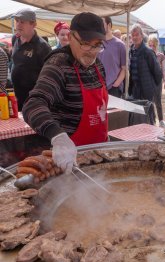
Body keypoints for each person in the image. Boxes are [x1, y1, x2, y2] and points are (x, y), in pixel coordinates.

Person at [22, 12, 107, 174]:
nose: (92, 51)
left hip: (98, 155)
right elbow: (33, 104)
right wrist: (58, 137)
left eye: (98, 45)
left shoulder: (98, 65)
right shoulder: (58, 65)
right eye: (86, 43)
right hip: (70, 162)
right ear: (70, 36)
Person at [11, 8, 52, 111]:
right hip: (17, 96)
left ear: (33, 24)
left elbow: (49, 76)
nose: (18, 25)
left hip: (34, 99)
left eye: (22, 22)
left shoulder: (43, 46)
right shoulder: (15, 38)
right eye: (17, 21)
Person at [128, 24, 162, 125]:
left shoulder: (148, 52)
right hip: (135, 89)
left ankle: (151, 135)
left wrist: (151, 87)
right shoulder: (131, 50)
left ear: (142, 36)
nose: (134, 37)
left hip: (146, 90)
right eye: (132, 35)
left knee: (148, 115)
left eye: (137, 35)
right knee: (138, 115)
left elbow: (158, 73)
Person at [98, 16, 126, 98]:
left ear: (109, 25)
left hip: (113, 89)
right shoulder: (96, 43)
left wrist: (115, 85)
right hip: (99, 88)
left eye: (101, 24)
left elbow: (124, 68)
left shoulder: (120, 45)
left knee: (113, 111)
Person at [148, 34, 165, 126]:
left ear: (156, 45)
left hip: (157, 81)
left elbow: (163, 69)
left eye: (153, 45)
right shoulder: (147, 55)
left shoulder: (161, 56)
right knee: (150, 101)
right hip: (148, 81)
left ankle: (161, 120)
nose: (152, 47)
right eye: (150, 45)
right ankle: (152, 120)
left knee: (158, 101)